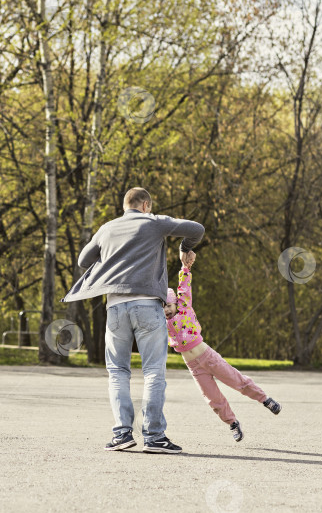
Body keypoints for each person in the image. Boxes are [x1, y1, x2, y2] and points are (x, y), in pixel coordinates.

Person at [62, 187, 205, 453]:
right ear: (146, 205)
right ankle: (154, 437)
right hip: (148, 305)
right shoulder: (154, 222)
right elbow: (196, 228)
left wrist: (112, 257)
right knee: (153, 371)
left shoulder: (107, 228)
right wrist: (184, 248)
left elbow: (84, 260)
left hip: (115, 307)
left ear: (125, 206)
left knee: (117, 371)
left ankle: (122, 435)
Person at [163, 251, 282, 442]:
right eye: (162, 307)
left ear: (176, 303)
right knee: (213, 399)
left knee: (237, 381)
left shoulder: (184, 306)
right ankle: (232, 423)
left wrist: (185, 267)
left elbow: (184, 287)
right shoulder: (161, 322)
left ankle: (265, 399)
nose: (166, 310)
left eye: (169, 305)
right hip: (193, 367)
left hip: (207, 356)